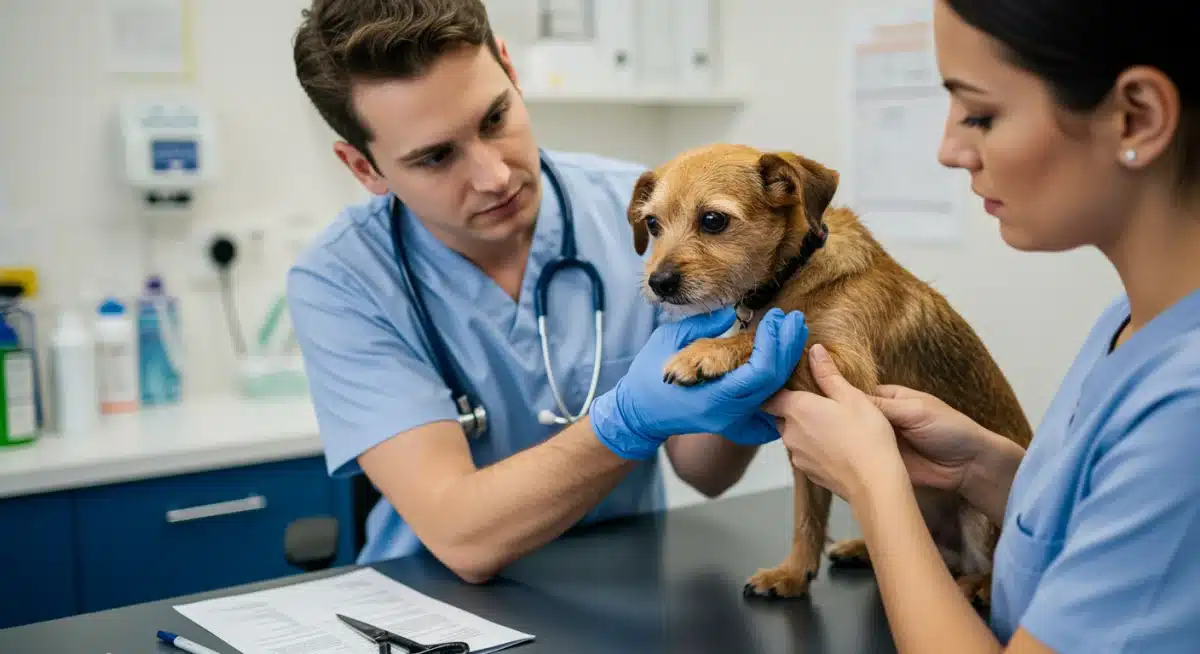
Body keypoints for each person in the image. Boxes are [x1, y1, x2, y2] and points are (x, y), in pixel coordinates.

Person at [285, 0, 807, 583]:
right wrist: (627, 421)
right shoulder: (341, 280)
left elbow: (704, 471)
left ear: (508, 68)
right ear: (364, 168)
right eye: (436, 157)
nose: (495, 177)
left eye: (493, 120)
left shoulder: (645, 215)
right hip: (430, 604)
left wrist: (745, 382)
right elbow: (463, 539)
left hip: (628, 589)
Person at [764, 0, 1200, 652]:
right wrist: (984, 470)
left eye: (980, 114)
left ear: (1136, 115)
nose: (949, 151)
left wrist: (876, 486)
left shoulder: (1186, 405)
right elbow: (1106, 534)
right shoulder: (1131, 325)